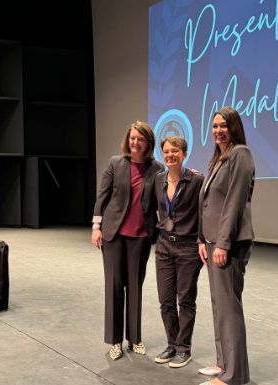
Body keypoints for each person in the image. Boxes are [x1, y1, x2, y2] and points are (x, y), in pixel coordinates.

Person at [91, 121, 164, 360]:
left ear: (148, 143)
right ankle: (115, 341)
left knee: (135, 287)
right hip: (113, 234)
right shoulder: (116, 163)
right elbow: (102, 196)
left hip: (141, 236)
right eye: (132, 138)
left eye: (140, 139)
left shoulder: (157, 169)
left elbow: (162, 200)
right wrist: (96, 225)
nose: (135, 142)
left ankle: (134, 338)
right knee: (114, 286)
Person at [197, 106, 256, 385]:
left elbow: (234, 202)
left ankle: (234, 375)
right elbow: (207, 204)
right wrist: (201, 239)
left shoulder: (240, 154)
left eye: (224, 125)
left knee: (229, 307)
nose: (218, 130)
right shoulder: (218, 159)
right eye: (214, 126)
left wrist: (222, 243)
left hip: (228, 244)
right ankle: (223, 363)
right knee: (218, 304)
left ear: (234, 127)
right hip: (211, 242)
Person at [152, 137, 204, 369]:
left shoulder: (197, 180)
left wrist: (202, 241)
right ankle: (172, 343)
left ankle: (184, 348)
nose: (170, 155)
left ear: (184, 154)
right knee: (165, 301)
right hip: (164, 246)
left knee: (186, 300)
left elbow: (205, 213)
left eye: (175, 151)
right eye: (166, 151)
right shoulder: (158, 180)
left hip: (187, 247)